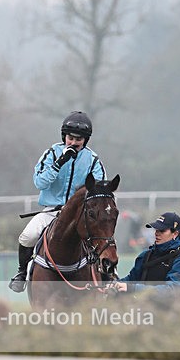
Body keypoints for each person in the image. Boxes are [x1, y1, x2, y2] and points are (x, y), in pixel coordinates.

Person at [9, 110, 106, 292]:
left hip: (80, 214)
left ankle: (106, 276)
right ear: (64, 136)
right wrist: (60, 162)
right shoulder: (52, 154)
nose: (74, 142)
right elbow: (39, 182)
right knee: (27, 236)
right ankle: (22, 273)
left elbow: (99, 189)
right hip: (52, 210)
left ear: (85, 140)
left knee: (102, 239)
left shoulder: (93, 160)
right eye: (71, 138)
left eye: (79, 139)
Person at [110, 211, 180, 302]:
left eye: (162, 230)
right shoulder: (145, 255)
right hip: (142, 311)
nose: (156, 233)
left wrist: (133, 288)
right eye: (156, 230)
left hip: (169, 314)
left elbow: (171, 291)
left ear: (175, 234)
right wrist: (114, 285)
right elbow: (131, 279)